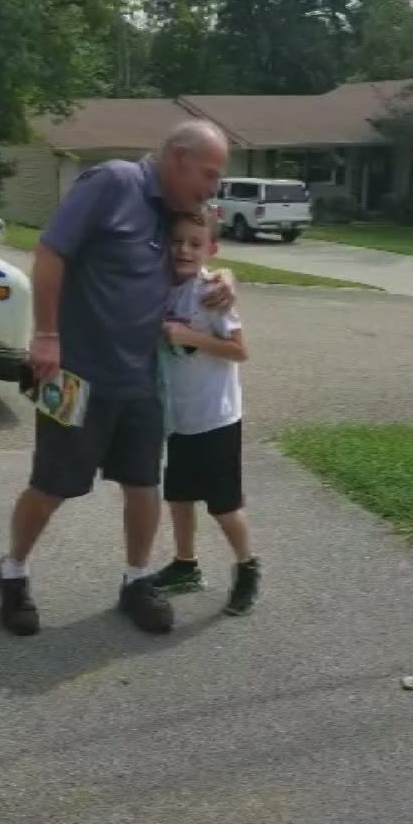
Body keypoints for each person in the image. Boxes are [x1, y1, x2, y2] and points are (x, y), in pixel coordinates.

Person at [0, 119, 233, 637]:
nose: (214, 188)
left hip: (140, 381)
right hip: (70, 375)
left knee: (144, 484)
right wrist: (46, 337)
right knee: (52, 485)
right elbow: (51, 251)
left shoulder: (175, 216)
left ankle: (136, 580)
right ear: (178, 157)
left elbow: (198, 259)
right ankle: (13, 571)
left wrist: (225, 280)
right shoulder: (111, 182)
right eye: (210, 174)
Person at [148, 207, 261, 616]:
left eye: (195, 243)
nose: (183, 249)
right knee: (178, 497)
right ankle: (185, 565)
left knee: (223, 505)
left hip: (216, 417)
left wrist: (190, 335)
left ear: (210, 249)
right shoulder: (161, 288)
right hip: (178, 418)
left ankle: (247, 567)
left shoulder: (212, 292)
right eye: (176, 241)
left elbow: (240, 351)